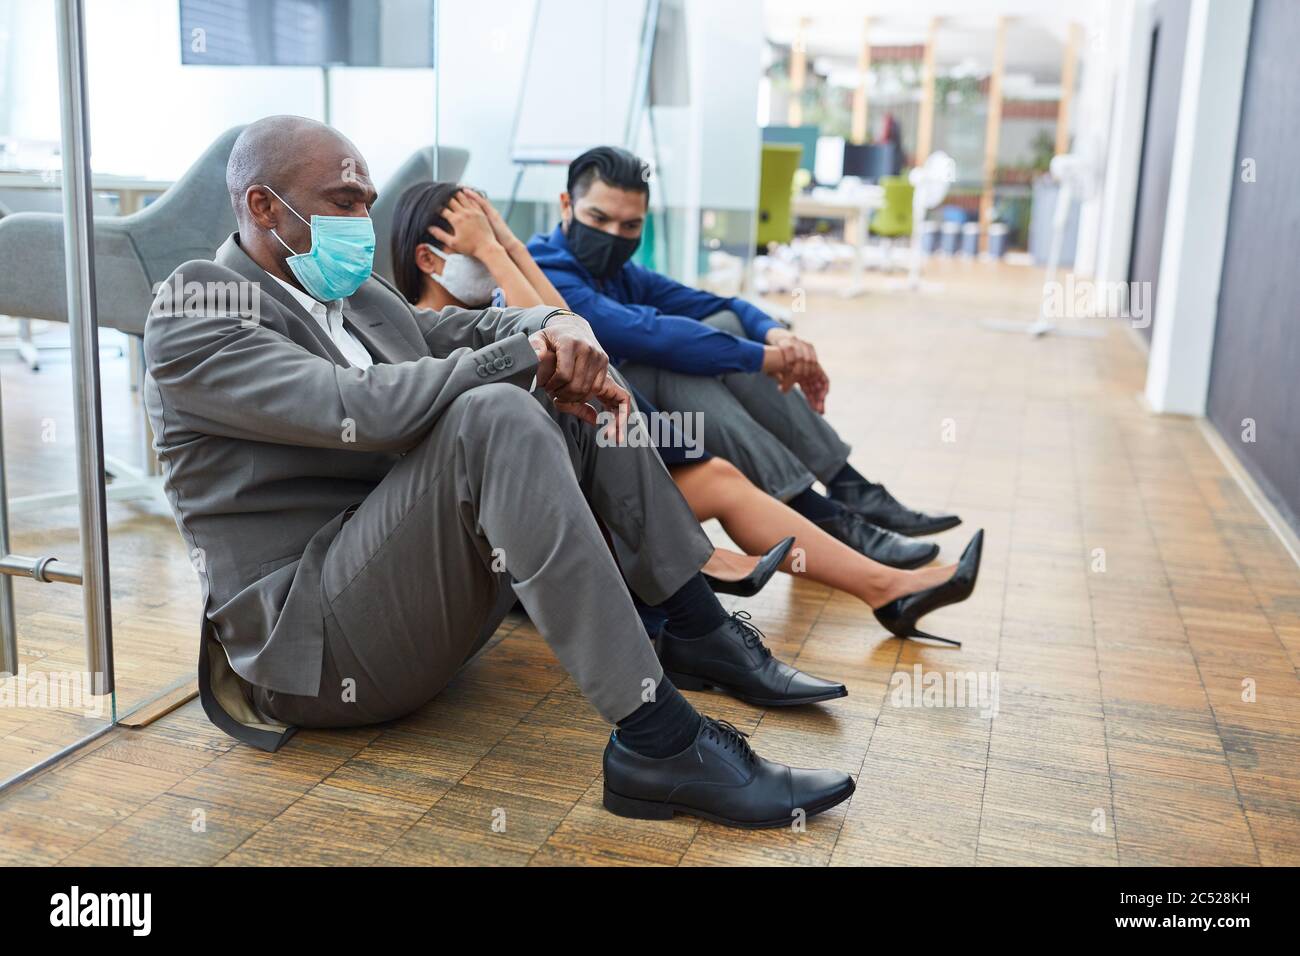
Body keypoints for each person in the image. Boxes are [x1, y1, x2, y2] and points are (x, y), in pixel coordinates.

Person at [144, 116, 857, 829]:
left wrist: (562, 328)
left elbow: (471, 332)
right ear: (264, 206)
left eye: (366, 201)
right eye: (342, 201)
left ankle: (698, 628)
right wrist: (531, 355)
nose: (362, 219)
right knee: (495, 412)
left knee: (577, 392)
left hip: (398, 601)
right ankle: (659, 742)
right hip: (314, 651)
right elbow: (361, 406)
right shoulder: (199, 302)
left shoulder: (354, 297)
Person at [389, 181, 985, 647]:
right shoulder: (427, 330)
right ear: (431, 258)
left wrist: (504, 245)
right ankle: (744, 560)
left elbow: (569, 327)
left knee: (720, 474)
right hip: (543, 517)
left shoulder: (497, 304)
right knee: (695, 428)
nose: (494, 251)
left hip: (602, 468)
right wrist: (498, 252)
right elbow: (558, 348)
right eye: (476, 243)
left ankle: (887, 587)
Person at [526, 146, 964, 571]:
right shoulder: (544, 267)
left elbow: (719, 304)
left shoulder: (619, 272)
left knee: (724, 326)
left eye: (630, 226)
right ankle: (827, 509)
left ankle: (845, 492)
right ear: (567, 204)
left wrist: (774, 335)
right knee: (679, 365)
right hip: (598, 434)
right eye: (598, 218)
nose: (613, 236)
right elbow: (649, 336)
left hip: (656, 426)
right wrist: (764, 358)